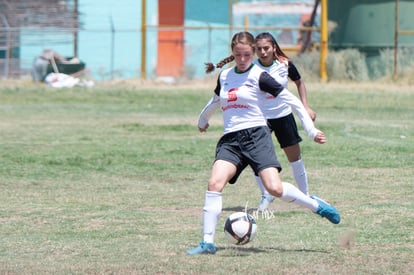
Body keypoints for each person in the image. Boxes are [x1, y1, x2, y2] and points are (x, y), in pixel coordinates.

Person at [187, 31, 340, 255]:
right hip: (231, 140)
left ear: (253, 53)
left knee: (274, 188)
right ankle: (207, 242)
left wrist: (311, 130)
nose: (242, 59)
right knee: (214, 184)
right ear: (232, 53)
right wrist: (202, 120)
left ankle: (316, 206)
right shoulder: (225, 76)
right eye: (238, 54)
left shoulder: (259, 76)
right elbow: (216, 100)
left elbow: (292, 100)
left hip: (257, 136)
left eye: (247, 54)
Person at [252, 32, 317, 211]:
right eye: (259, 49)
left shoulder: (284, 64)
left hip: (284, 116)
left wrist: (306, 106)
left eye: (266, 48)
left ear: (274, 47)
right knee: (256, 158)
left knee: (295, 158)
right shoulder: (251, 68)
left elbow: (299, 82)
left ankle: (305, 196)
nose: (263, 52)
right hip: (260, 119)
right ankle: (265, 194)